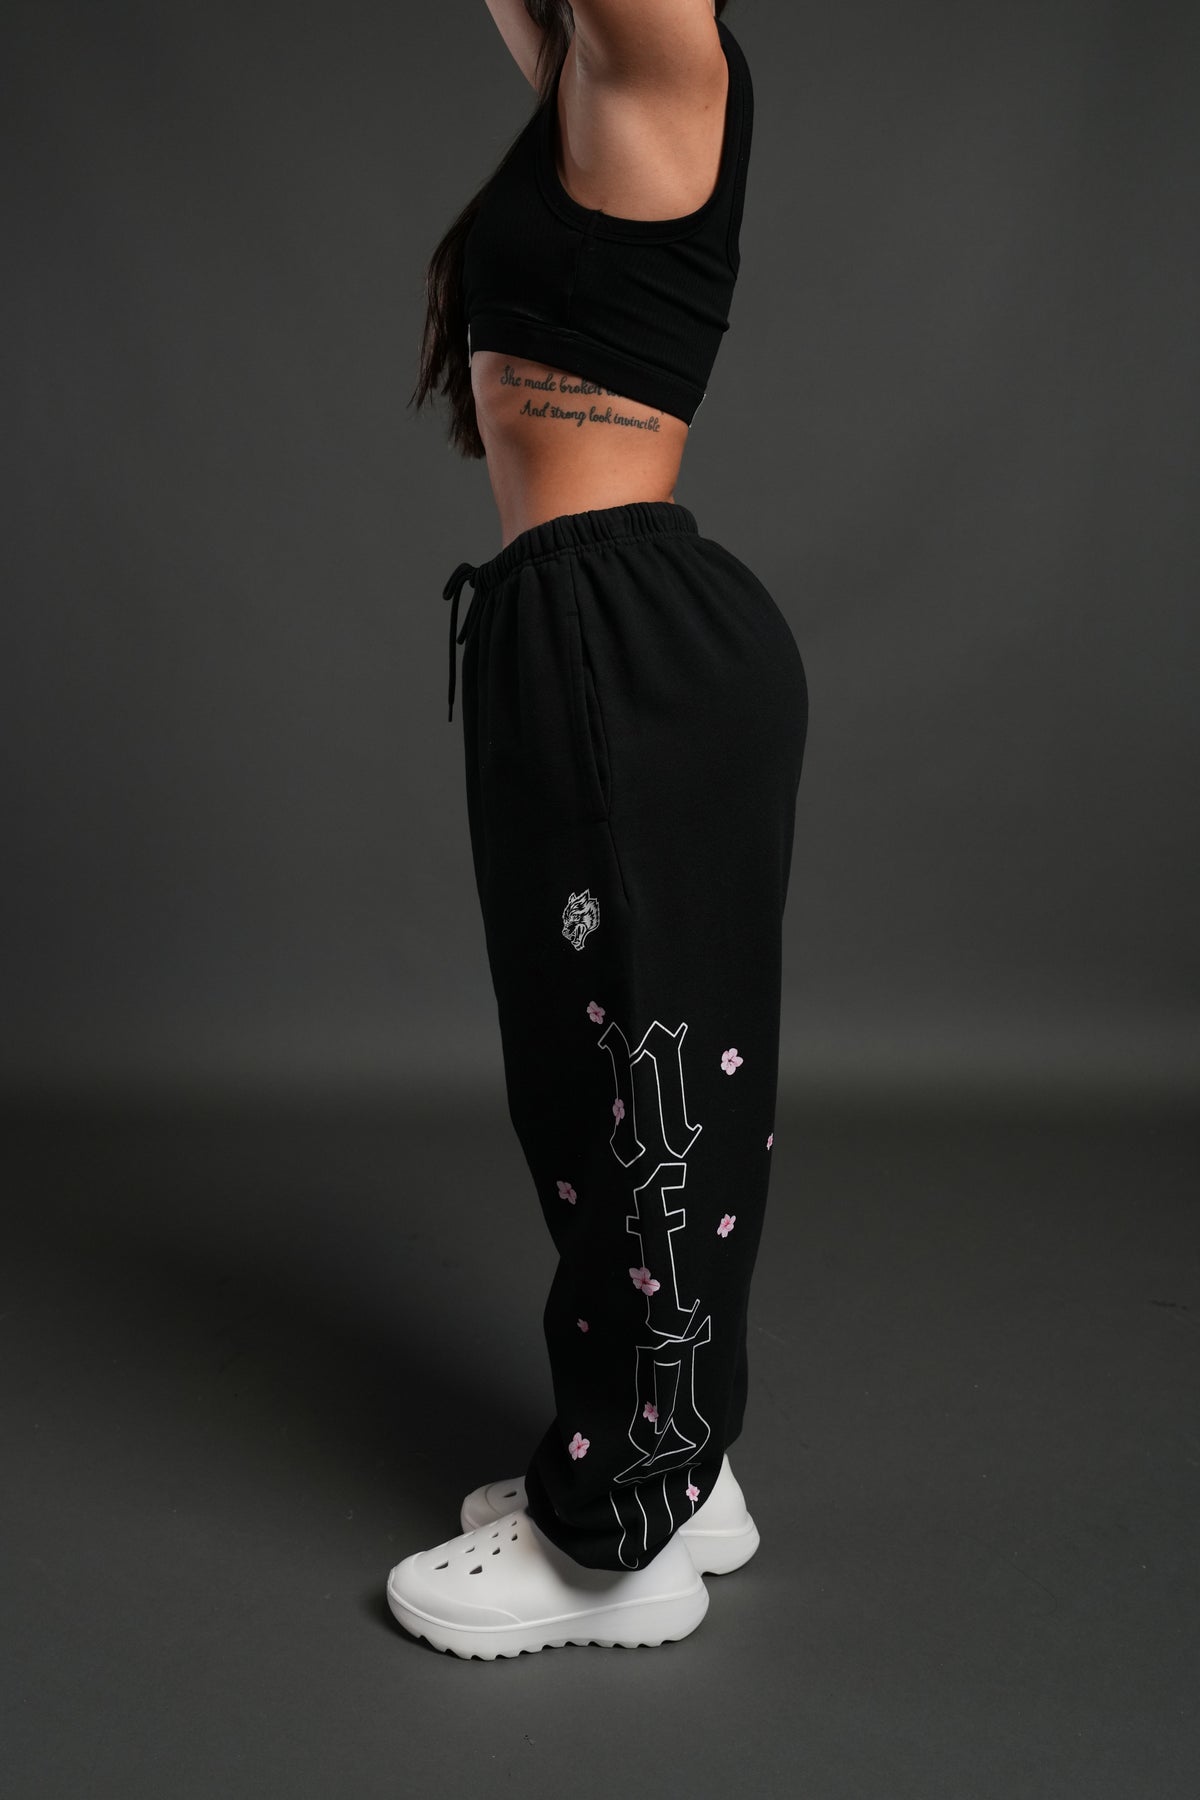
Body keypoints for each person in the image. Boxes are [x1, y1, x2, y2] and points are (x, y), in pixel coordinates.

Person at [389, 0, 808, 1658]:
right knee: (594, 1087)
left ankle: (612, 1546)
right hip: (574, 625)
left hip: (618, 637)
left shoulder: (662, 62)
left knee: (643, 1092)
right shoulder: (590, 78)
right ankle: (682, 1466)